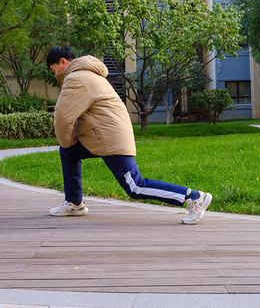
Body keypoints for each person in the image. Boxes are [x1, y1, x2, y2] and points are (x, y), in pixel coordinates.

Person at [46, 46, 212, 225]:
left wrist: (68, 140)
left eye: (53, 68)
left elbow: (63, 118)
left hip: (108, 137)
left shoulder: (76, 78)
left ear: (63, 62)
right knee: (68, 152)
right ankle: (74, 203)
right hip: (103, 134)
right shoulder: (87, 74)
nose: (54, 73)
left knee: (136, 187)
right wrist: (68, 144)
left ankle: (194, 197)